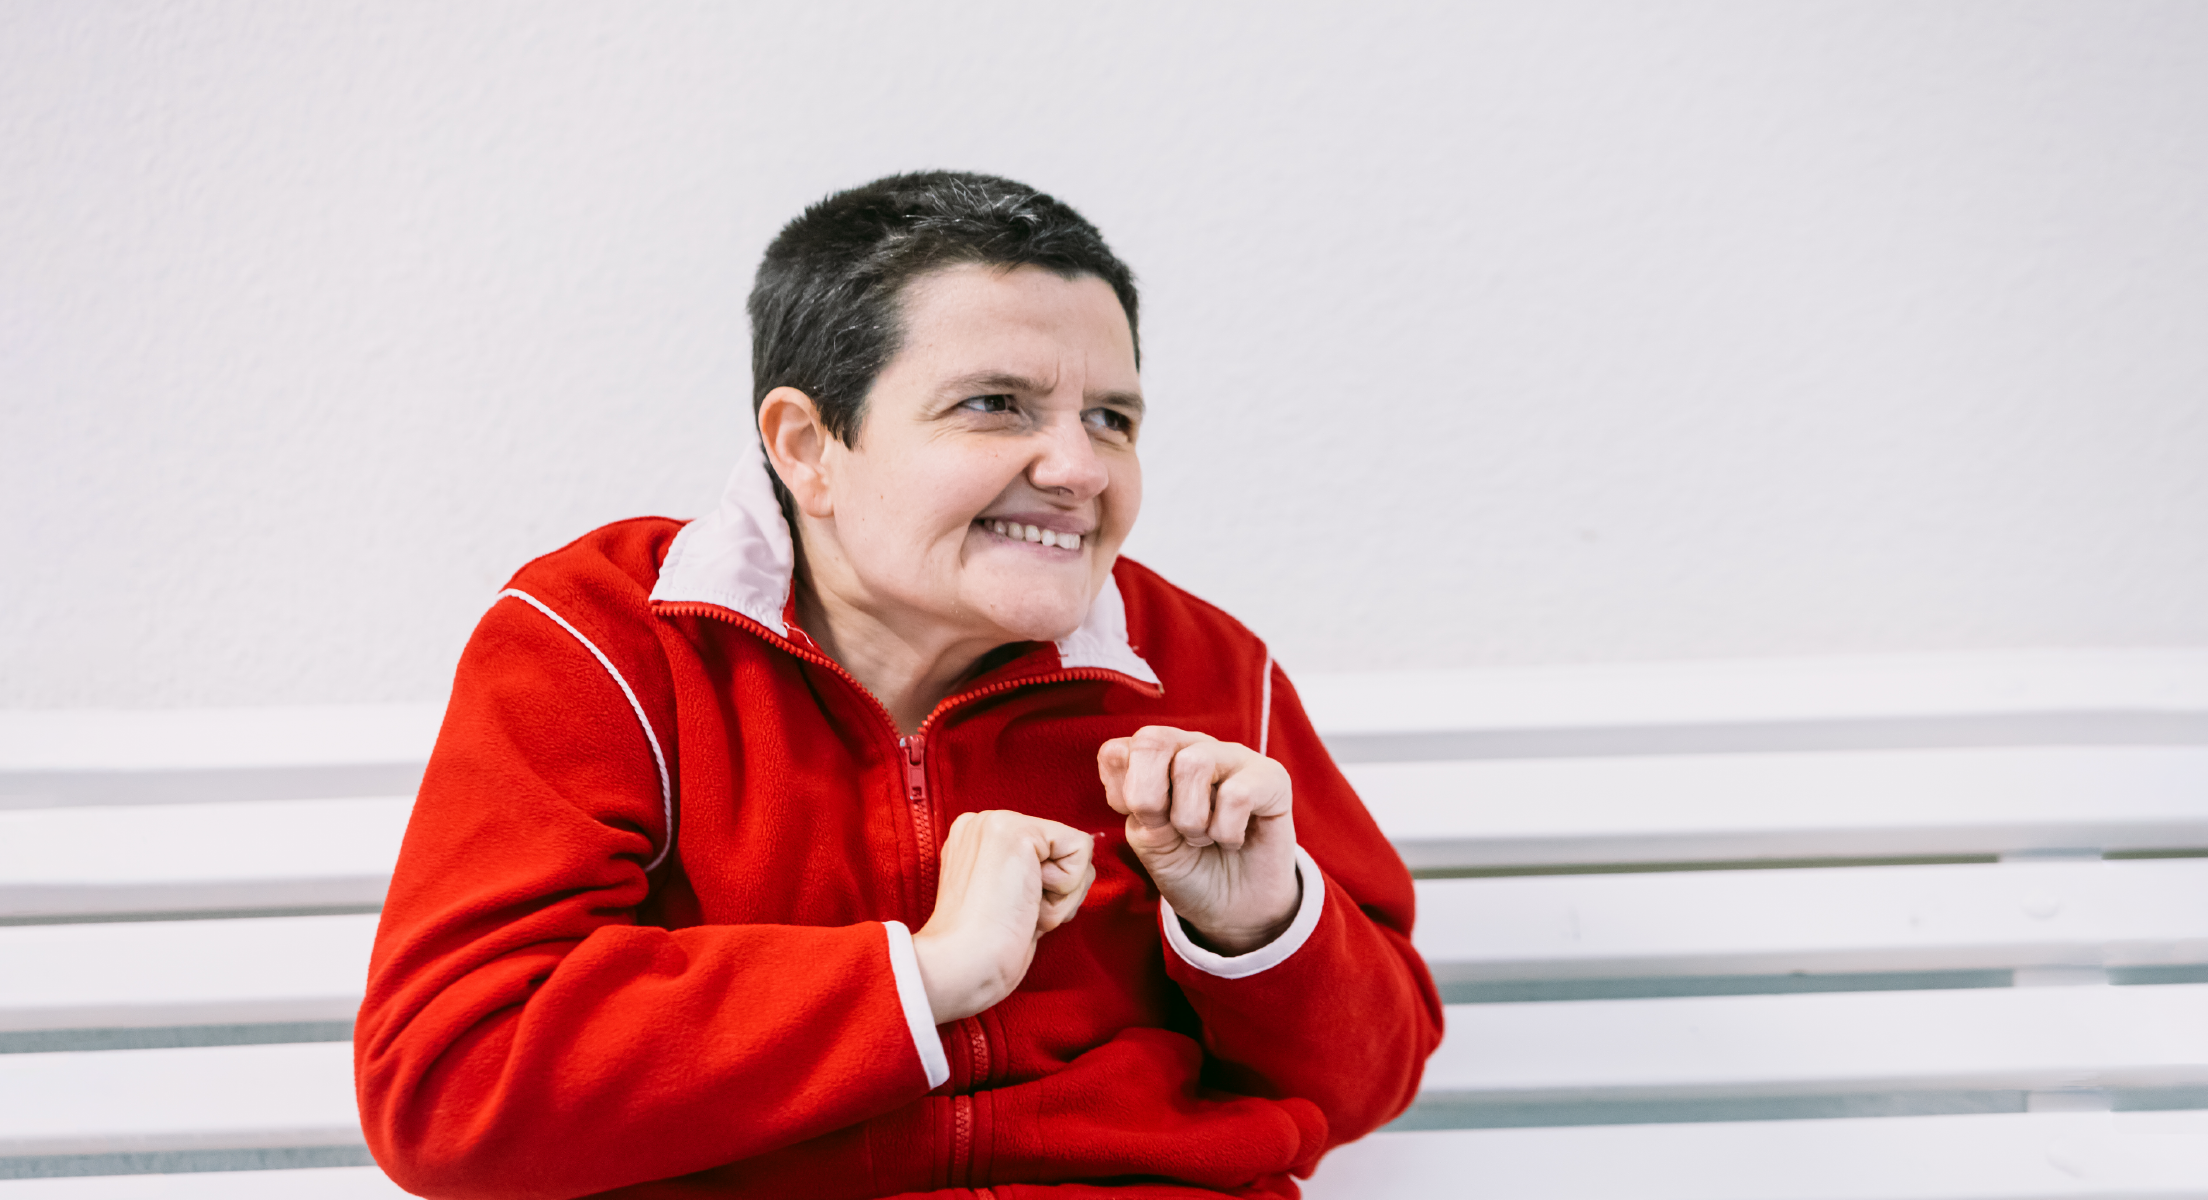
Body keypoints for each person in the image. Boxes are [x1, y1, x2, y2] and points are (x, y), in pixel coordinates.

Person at [355, 171, 1442, 1200]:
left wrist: (1261, 928)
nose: (1080, 470)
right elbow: (449, 1088)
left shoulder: (1208, 666)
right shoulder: (604, 643)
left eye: (1111, 418)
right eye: (995, 405)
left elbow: (1366, 1081)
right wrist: (918, 979)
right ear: (809, 446)